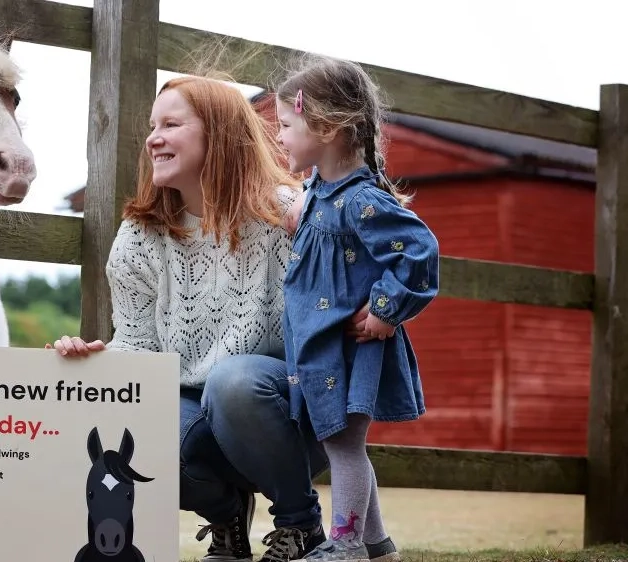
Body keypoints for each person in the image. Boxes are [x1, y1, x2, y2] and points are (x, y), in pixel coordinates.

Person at [47, 74, 369, 562]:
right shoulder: (139, 237)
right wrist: (90, 363)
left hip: (289, 412)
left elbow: (369, 261)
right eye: (153, 125)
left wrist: (373, 302)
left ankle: (300, 526)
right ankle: (225, 518)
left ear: (217, 134)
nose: (154, 137)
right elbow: (137, 347)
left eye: (172, 124)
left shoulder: (285, 216)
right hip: (191, 411)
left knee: (232, 381)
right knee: (123, 435)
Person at [274, 53, 441, 562]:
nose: (278, 137)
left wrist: (386, 311)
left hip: (349, 346)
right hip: (324, 346)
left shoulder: (360, 200)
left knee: (344, 445)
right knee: (343, 445)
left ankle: (343, 544)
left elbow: (421, 252)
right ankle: (377, 546)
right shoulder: (322, 192)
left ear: (324, 127)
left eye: (285, 125)